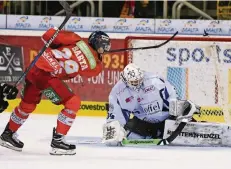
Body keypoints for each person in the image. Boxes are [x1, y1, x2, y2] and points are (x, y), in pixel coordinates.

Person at [0, 28, 111, 155]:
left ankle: (7, 134)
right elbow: (93, 72)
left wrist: (58, 31)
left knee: (27, 105)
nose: (105, 48)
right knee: (73, 103)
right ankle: (58, 142)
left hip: (35, 66)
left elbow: (47, 36)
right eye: (104, 46)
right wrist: (99, 58)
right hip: (47, 75)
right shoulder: (94, 64)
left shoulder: (75, 38)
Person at [102, 63, 198, 146]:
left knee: (187, 130)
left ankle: (166, 130)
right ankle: (156, 133)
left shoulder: (154, 80)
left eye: (140, 79)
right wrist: (114, 130)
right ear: (126, 81)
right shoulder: (118, 92)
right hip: (144, 123)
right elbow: (115, 115)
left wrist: (179, 110)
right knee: (128, 135)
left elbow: (171, 95)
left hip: (167, 119)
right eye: (134, 82)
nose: (138, 83)